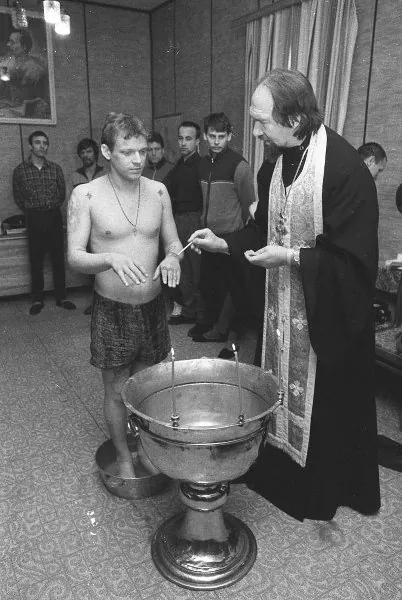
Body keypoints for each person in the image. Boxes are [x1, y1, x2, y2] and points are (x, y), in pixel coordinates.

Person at [188, 69, 381, 522]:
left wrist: (293, 257)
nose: (255, 132)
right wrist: (224, 243)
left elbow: (353, 262)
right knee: (274, 383)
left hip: (324, 317)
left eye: (261, 122)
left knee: (322, 404)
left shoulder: (344, 169)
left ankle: (315, 489)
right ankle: (274, 467)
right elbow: (262, 230)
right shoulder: (275, 163)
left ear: (294, 119)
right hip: (281, 311)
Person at [67, 113, 182, 479]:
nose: (137, 160)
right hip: (113, 309)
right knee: (117, 390)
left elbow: (174, 242)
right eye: (127, 152)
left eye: (142, 152)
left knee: (147, 388)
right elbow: (74, 257)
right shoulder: (86, 195)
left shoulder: (158, 191)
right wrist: (109, 258)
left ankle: (145, 448)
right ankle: (122, 456)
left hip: (153, 307)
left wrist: (172, 257)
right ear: (106, 152)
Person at [190, 112, 256, 343]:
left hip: (231, 238)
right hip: (209, 236)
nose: (216, 141)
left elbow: (250, 206)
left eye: (221, 136)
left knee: (232, 289)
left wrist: (240, 236)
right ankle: (212, 327)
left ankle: (229, 335)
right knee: (210, 285)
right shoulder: (202, 164)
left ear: (230, 136)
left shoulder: (239, 165)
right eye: (212, 136)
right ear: (205, 137)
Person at [13, 131, 76, 315]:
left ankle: (61, 297)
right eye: (38, 142)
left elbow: (61, 194)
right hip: (33, 217)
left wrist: (50, 208)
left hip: (53, 216)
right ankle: (37, 299)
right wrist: (32, 210)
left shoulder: (55, 169)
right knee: (36, 260)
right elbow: (18, 197)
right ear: (30, 146)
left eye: (45, 143)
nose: (42, 146)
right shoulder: (20, 171)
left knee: (58, 259)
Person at [164, 121, 203, 325]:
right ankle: (188, 309)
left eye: (188, 139)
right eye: (180, 138)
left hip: (195, 219)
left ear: (197, 141)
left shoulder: (201, 165)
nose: (183, 143)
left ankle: (197, 312)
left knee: (196, 268)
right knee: (183, 266)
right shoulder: (179, 165)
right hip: (178, 219)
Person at [67, 138, 105, 315]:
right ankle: (97, 301)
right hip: (84, 228)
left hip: (103, 225)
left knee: (104, 264)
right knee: (91, 266)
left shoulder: (106, 173)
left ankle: (107, 300)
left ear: (95, 153)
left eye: (89, 151)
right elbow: (71, 203)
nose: (85, 155)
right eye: (82, 152)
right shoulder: (74, 177)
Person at [0, 29, 48, 119]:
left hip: (28, 116)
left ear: (24, 47)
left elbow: (42, 100)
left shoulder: (36, 69)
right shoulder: (5, 65)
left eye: (13, 42)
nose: (8, 44)